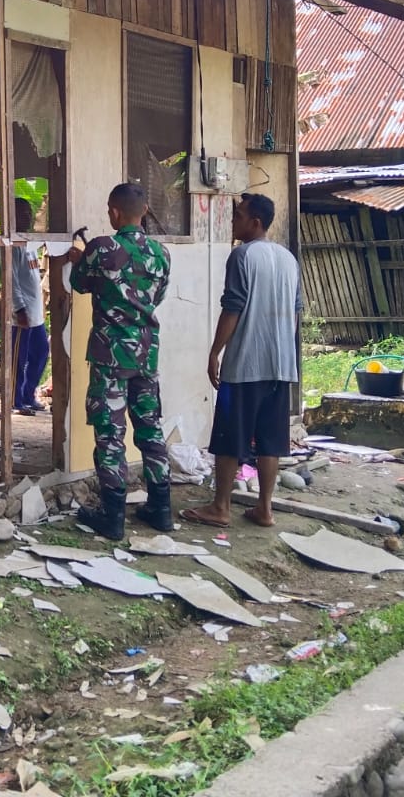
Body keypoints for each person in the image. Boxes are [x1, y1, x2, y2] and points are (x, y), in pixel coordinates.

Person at [184, 193, 303, 529]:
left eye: (238, 215)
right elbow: (295, 314)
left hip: (246, 363)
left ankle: (220, 506)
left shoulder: (242, 256)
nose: (232, 220)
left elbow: (232, 307)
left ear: (256, 223)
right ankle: (265, 508)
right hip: (281, 365)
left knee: (230, 437)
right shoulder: (288, 259)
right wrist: (283, 348)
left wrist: (214, 351)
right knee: (270, 439)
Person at [67, 182, 173, 539]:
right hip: (146, 352)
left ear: (114, 212)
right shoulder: (161, 253)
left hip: (110, 354)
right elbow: (156, 296)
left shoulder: (101, 248)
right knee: (150, 426)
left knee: (110, 433)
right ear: (144, 211)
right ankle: (161, 508)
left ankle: (112, 516)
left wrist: (80, 260)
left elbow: (79, 284)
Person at [10, 197, 48, 417]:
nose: (27, 216)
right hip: (22, 315)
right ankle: (16, 401)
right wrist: (19, 309)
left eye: (28, 212)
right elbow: (11, 280)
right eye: (21, 212)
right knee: (18, 359)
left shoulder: (29, 243)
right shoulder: (13, 245)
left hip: (37, 314)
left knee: (41, 353)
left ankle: (28, 395)